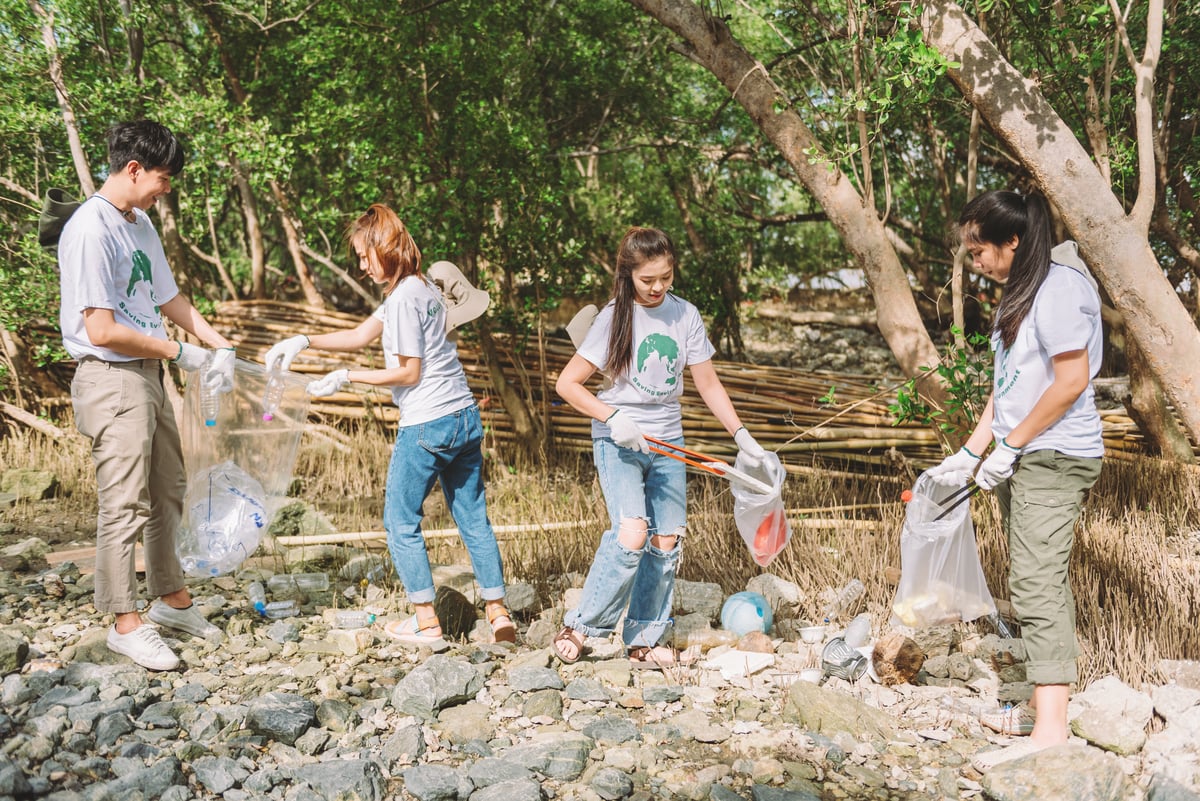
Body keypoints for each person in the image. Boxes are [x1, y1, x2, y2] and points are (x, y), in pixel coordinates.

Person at [264, 204, 514, 645]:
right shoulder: (421, 288)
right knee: (474, 518)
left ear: (384, 247)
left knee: (399, 523)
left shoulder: (402, 300)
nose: (361, 265)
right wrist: (303, 341)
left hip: (428, 423)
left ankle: (424, 620)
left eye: (364, 255)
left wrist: (348, 377)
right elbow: (359, 336)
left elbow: (408, 373)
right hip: (464, 415)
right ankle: (498, 613)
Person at [926, 190, 1104, 771]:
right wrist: (971, 453)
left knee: (1035, 582)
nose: (974, 261)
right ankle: (1036, 707)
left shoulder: (1060, 290)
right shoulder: (1020, 293)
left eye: (980, 250)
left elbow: (1071, 382)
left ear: (1014, 242)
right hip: (1023, 451)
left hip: (1055, 454)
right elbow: (1008, 391)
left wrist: (1013, 444)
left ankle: (1051, 729)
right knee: (1031, 576)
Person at [59, 120, 234, 671]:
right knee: (125, 501)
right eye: (162, 179)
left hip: (149, 377)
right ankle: (123, 621)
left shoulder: (138, 224)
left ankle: (171, 599)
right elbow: (101, 330)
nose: (165, 190)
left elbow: (167, 296)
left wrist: (215, 341)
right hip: (111, 377)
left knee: (169, 489)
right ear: (133, 169)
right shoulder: (91, 229)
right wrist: (179, 354)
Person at [552, 226, 768, 669]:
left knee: (666, 541)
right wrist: (613, 417)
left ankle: (645, 638)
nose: (657, 287)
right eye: (647, 279)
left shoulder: (684, 315)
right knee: (632, 532)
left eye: (665, 277)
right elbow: (567, 385)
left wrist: (741, 435)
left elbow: (707, 383)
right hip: (620, 440)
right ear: (628, 274)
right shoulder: (614, 317)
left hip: (668, 441)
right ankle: (581, 626)